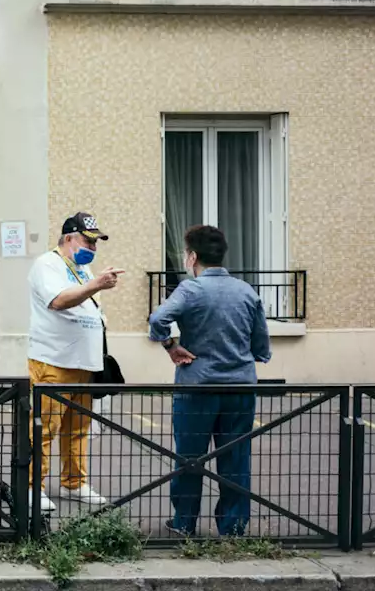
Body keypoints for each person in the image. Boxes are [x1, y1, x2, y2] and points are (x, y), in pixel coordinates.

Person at [149, 225, 271, 537]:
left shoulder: (191, 290)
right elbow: (261, 346)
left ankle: (184, 523)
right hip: (240, 386)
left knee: (190, 457)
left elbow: (157, 320)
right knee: (236, 458)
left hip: (197, 386)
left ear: (192, 257)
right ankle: (233, 527)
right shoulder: (246, 291)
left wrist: (171, 346)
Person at [27, 212, 123, 510]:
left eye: (96, 243)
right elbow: (58, 301)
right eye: (88, 241)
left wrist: (93, 283)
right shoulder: (48, 264)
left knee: (78, 429)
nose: (92, 248)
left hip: (84, 363)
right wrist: (96, 284)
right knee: (45, 428)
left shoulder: (82, 268)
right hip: (55, 360)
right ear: (68, 238)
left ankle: (74, 483)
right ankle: (33, 487)